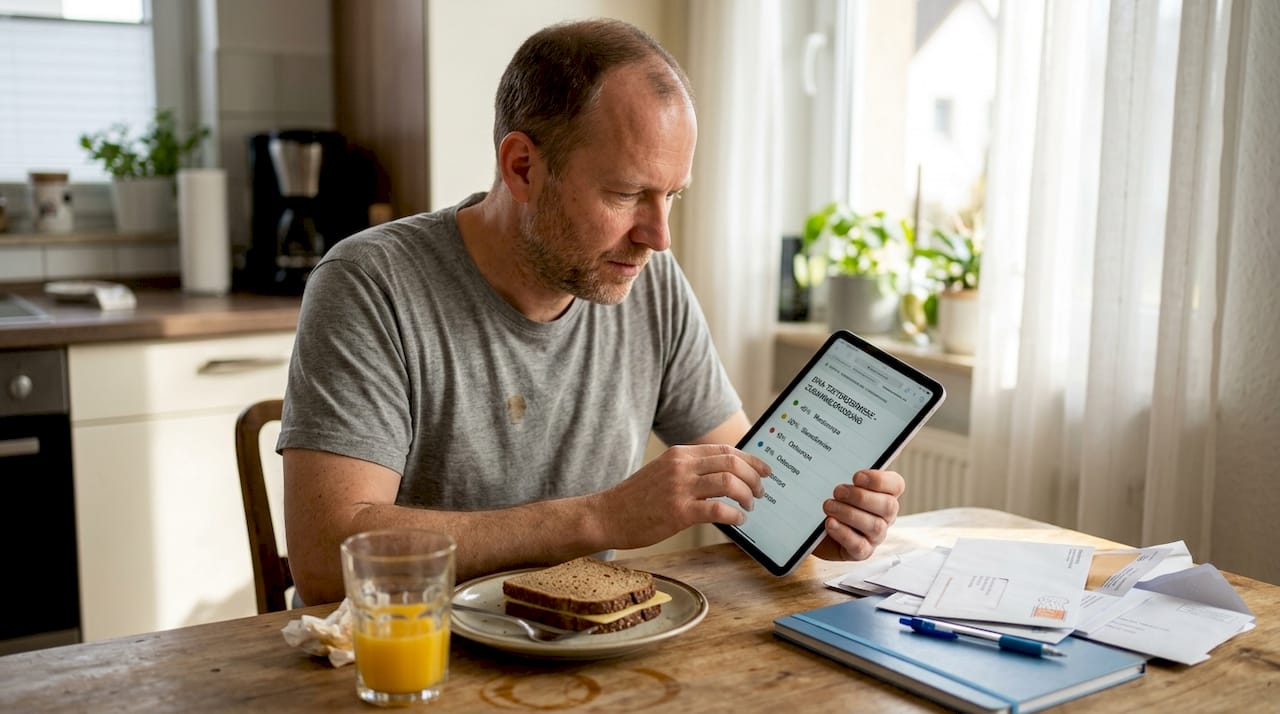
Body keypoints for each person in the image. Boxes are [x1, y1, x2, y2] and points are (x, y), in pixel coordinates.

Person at [278, 18, 906, 606]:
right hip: (415, 663)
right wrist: (601, 518)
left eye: (672, 197)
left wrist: (806, 522)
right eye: (627, 194)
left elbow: (743, 483)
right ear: (522, 167)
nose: (659, 236)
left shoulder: (649, 284)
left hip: (587, 655)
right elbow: (326, 558)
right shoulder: (370, 283)